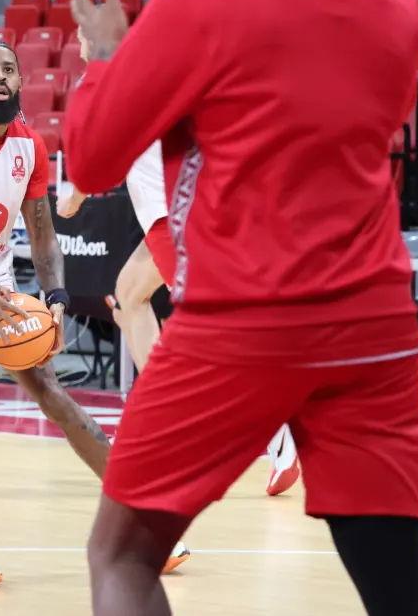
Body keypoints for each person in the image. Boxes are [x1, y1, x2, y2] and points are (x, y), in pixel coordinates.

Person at [65, 0, 418, 616]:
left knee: (121, 555)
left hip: (246, 320)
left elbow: (94, 161)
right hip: (374, 329)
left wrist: (105, 57)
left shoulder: (198, 2)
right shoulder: (397, 14)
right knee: (399, 586)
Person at [0, 40, 189, 590]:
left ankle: (140, 524)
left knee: (53, 394)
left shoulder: (30, 147)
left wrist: (57, 298)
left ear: (22, 83)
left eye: (8, 69)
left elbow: (44, 237)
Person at [57, 34, 301, 497]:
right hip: (189, 209)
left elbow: (99, 156)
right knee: (129, 295)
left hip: (174, 220)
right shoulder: (152, 74)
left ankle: (278, 433)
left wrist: (75, 197)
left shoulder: (107, 81)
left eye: (87, 30)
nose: (81, 37)